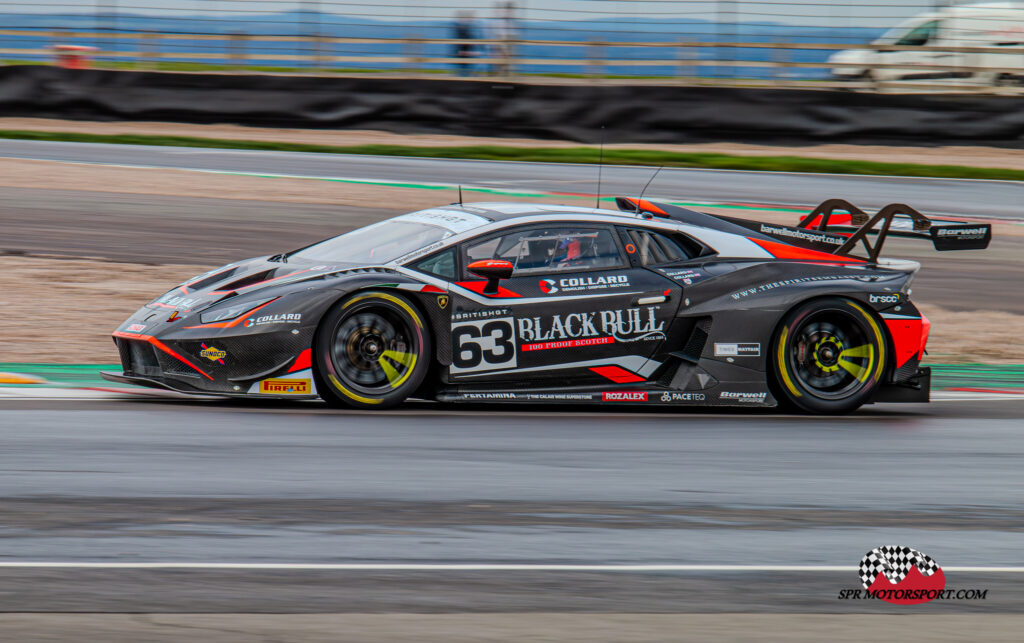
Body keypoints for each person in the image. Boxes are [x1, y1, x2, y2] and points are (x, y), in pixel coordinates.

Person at [451, 11, 478, 76]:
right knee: (464, 64)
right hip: (463, 49)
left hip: (465, 49)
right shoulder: (460, 27)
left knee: (465, 64)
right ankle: (463, 75)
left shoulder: (464, 26)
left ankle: (464, 74)